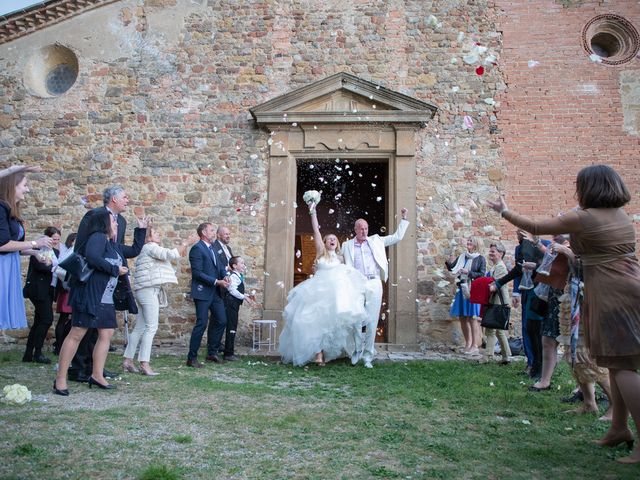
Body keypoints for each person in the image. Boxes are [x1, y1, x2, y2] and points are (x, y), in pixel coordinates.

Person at [488, 164, 640, 464]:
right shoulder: (621, 215)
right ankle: (619, 428)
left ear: (590, 188)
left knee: (623, 366)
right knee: (614, 361)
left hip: (611, 293)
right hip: (627, 285)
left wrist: (505, 211)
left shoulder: (584, 218)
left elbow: (535, 226)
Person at [67, 186, 147, 382]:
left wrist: (141, 231)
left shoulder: (121, 220)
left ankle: (96, 369)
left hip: (108, 281)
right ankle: (78, 368)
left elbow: (117, 249)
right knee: (83, 327)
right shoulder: (94, 216)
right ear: (113, 199)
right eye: (125, 197)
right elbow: (83, 249)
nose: (128, 200)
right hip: (91, 280)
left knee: (100, 328)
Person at [54, 212, 133, 395]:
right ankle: (60, 378)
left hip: (105, 296)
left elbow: (132, 251)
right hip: (90, 294)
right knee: (77, 333)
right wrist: (114, 269)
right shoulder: (98, 237)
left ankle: (97, 375)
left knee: (106, 333)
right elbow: (92, 257)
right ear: (104, 223)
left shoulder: (111, 244)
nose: (116, 223)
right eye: (114, 221)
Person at [279, 203, 367, 366]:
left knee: (329, 326)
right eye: (329, 239)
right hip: (317, 293)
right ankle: (318, 355)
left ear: (337, 243)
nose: (332, 240)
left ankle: (329, 352)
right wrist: (312, 212)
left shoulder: (341, 258)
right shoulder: (321, 253)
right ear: (325, 243)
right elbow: (316, 231)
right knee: (313, 323)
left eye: (335, 239)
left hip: (334, 298)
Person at [122, 227, 198, 375]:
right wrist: (186, 242)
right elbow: (169, 254)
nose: (159, 234)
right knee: (151, 327)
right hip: (148, 290)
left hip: (144, 290)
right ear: (148, 238)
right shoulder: (151, 247)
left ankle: (128, 360)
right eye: (156, 232)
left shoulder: (146, 248)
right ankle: (144, 363)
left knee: (140, 328)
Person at [342, 208, 409, 368]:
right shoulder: (347, 245)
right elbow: (339, 259)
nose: (364, 231)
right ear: (355, 230)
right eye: (361, 229)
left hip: (373, 282)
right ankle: (356, 351)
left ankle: (368, 356)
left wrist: (404, 219)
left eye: (366, 228)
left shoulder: (376, 240)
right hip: (356, 284)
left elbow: (397, 237)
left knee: (372, 320)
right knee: (356, 319)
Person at [0, 170, 53, 331]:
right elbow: (2, 245)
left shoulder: (11, 211)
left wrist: (35, 252)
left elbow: (16, 247)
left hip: (10, 265)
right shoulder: (1, 208)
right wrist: (36, 242)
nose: (27, 189)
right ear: (12, 187)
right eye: (24, 185)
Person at [186, 223, 229, 368]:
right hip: (203, 292)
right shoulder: (197, 249)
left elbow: (220, 267)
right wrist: (217, 281)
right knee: (201, 323)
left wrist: (225, 276)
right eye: (212, 230)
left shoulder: (213, 248)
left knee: (222, 320)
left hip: (215, 293)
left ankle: (212, 352)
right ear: (204, 232)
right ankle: (191, 358)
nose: (214, 233)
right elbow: (197, 273)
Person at [22, 227, 61, 364]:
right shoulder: (37, 250)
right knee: (46, 319)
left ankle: (28, 354)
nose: (55, 242)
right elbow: (40, 267)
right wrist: (52, 267)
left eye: (57, 239)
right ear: (47, 237)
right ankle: (37, 353)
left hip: (50, 289)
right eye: (53, 239)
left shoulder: (56, 252)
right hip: (38, 289)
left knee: (39, 320)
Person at [446, 236, 486, 355]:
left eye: (471, 242)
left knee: (472, 317)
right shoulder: (462, 256)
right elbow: (453, 268)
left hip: (472, 289)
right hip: (462, 288)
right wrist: (449, 262)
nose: (468, 243)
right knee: (463, 317)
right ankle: (468, 343)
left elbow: (482, 274)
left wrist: (468, 272)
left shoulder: (480, 259)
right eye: (468, 241)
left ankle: (475, 345)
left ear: (476, 245)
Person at [482, 242, 512, 364]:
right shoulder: (495, 266)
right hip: (496, 301)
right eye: (490, 251)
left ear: (501, 253)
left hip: (498, 302)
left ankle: (487, 357)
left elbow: (495, 285)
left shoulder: (500, 267)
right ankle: (506, 357)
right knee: (499, 330)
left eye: (493, 251)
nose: (490, 253)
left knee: (490, 329)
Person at [224, 255, 257, 361]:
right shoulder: (233, 276)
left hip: (234, 304)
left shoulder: (238, 275)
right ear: (234, 265)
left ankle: (229, 352)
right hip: (231, 304)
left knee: (233, 326)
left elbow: (237, 290)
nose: (244, 265)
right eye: (241, 263)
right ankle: (228, 353)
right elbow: (232, 290)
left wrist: (246, 295)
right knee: (231, 327)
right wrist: (244, 297)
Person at [212, 225, 237, 359]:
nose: (228, 236)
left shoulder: (228, 248)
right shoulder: (215, 247)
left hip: (228, 287)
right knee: (218, 319)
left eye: (229, 234)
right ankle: (214, 347)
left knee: (225, 319)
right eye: (225, 234)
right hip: (220, 287)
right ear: (218, 235)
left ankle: (220, 346)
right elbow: (217, 266)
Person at [53, 233, 76, 355]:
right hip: (67, 289)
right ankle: (59, 345)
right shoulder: (68, 252)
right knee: (63, 318)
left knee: (71, 319)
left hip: (70, 289)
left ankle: (62, 344)